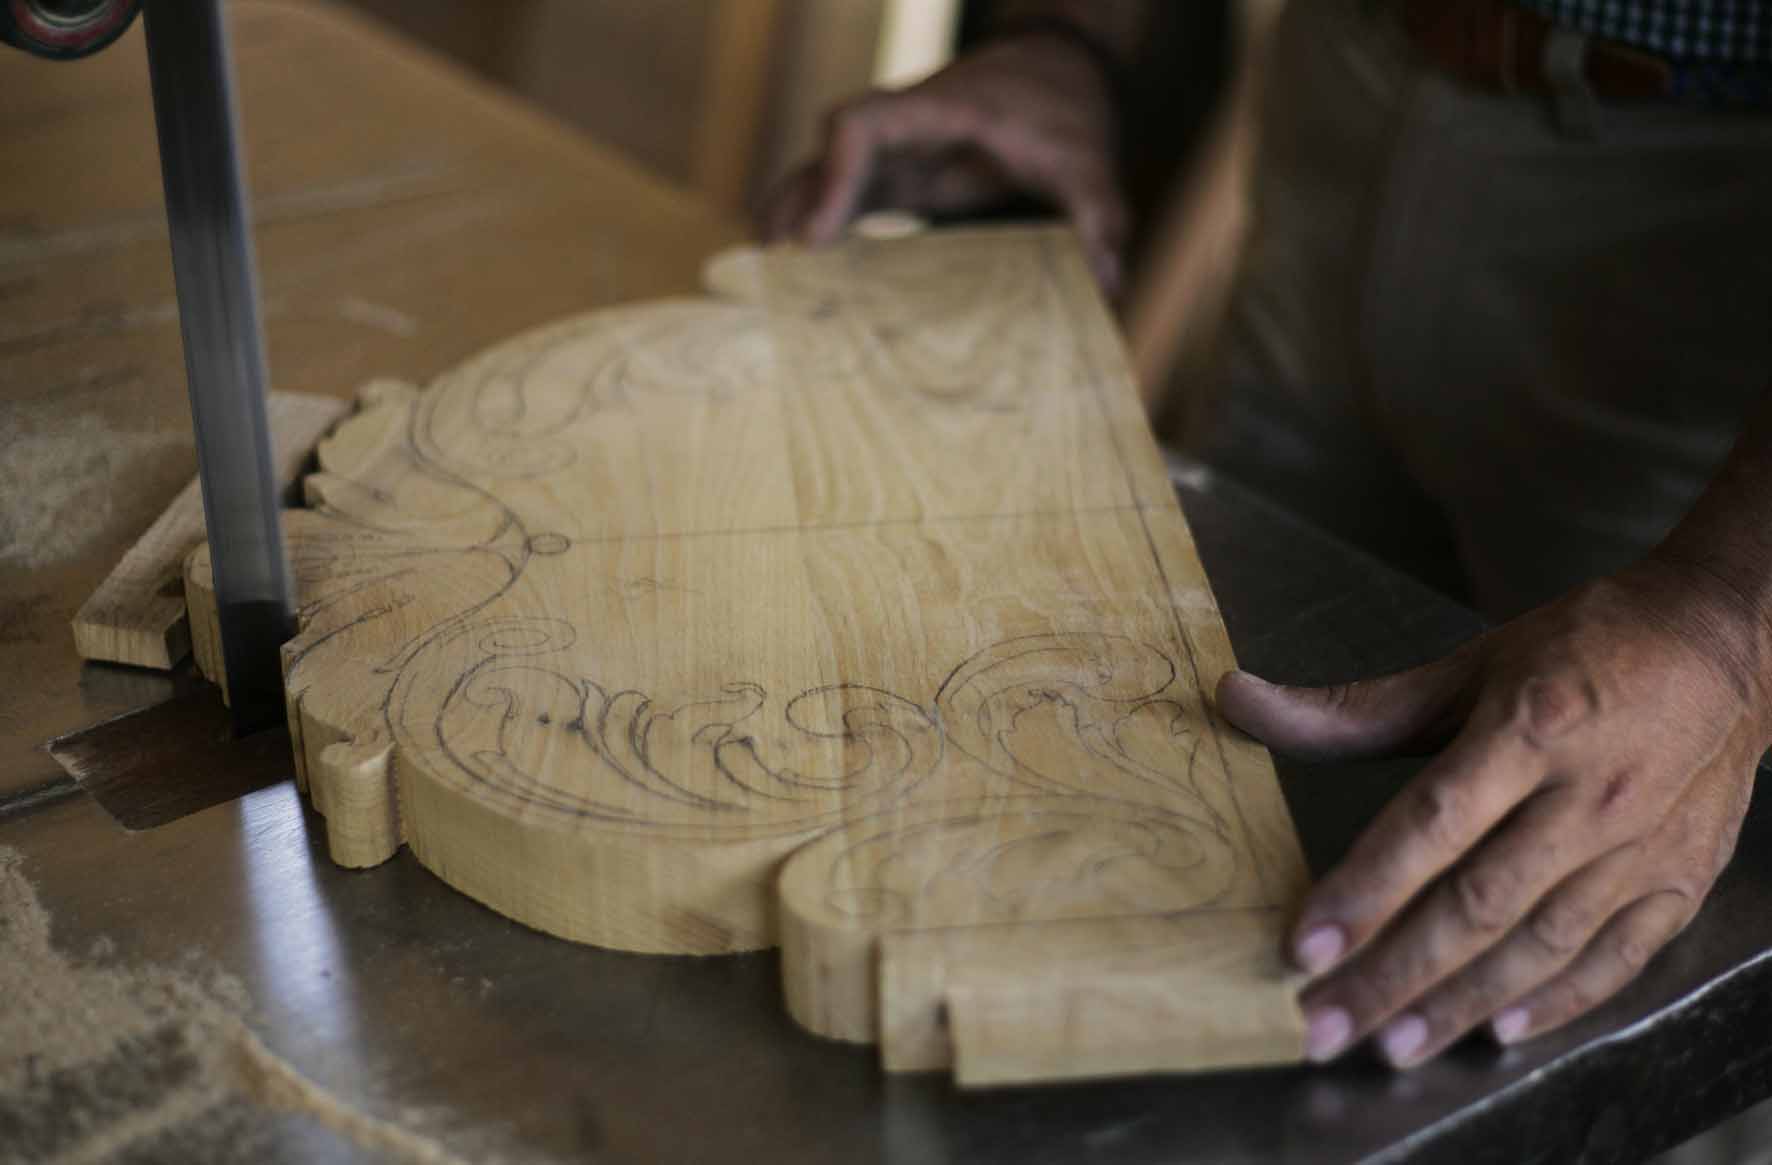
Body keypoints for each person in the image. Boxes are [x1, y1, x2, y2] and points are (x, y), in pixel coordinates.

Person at [762, 0, 1772, 1070]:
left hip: (1715, 222)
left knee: (1584, 912)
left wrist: (1734, 620)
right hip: (1336, 87)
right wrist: (1066, 36)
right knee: (1181, 768)